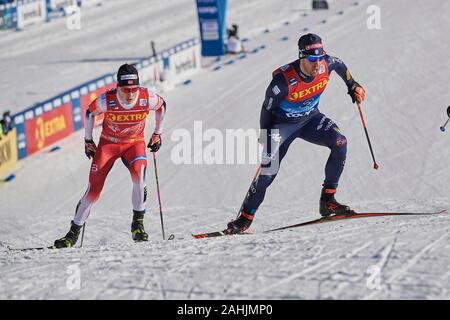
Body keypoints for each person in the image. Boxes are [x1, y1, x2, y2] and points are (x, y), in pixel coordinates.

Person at [226, 33, 366, 234]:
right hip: (282, 127)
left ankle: (328, 200)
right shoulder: (282, 83)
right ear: (301, 57)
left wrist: (353, 85)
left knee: (340, 142)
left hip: (310, 119)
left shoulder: (327, 64)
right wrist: (266, 135)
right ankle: (244, 218)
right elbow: (266, 109)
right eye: (311, 60)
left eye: (319, 58)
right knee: (267, 173)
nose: (316, 64)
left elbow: (341, 65)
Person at [54, 64, 167, 248]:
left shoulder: (147, 98)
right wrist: (88, 140)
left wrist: (157, 133)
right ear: (117, 86)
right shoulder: (107, 99)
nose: (130, 94)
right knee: (93, 191)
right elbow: (90, 113)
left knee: (139, 178)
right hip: (109, 144)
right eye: (125, 90)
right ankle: (72, 234)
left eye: (133, 89)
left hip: (134, 143)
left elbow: (162, 106)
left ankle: (137, 225)